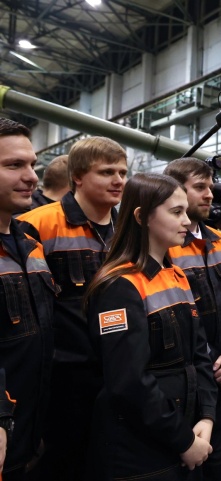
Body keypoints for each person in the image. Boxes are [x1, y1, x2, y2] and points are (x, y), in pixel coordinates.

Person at [84, 173, 217, 480]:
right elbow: (128, 381)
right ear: (141, 216)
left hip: (186, 433)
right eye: (176, 212)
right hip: (140, 451)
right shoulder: (119, 286)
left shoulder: (177, 276)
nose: (187, 221)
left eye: (186, 211)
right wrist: (183, 440)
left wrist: (207, 416)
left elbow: (200, 356)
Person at [17, 136, 127, 480]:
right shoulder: (36, 224)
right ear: (78, 176)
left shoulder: (130, 230)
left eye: (123, 173)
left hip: (119, 374)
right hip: (61, 380)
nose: (118, 180)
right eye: (107, 172)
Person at [163, 158, 221, 480]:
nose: (210, 194)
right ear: (176, 192)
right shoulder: (166, 244)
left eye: (210, 187)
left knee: (217, 458)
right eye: (200, 187)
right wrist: (215, 365)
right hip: (186, 378)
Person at [0, 119, 56, 481]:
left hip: (29, 437)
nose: (32, 177)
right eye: (14, 165)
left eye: (33, 164)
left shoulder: (31, 245)